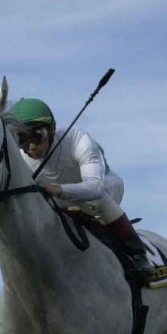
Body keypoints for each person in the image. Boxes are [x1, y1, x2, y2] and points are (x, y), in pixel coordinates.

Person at [10, 97, 155, 278]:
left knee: (95, 200)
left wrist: (58, 189)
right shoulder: (22, 159)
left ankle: (138, 255)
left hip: (104, 189)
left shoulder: (79, 140)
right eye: (21, 139)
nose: (30, 146)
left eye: (37, 136)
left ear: (51, 129)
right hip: (61, 200)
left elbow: (95, 187)